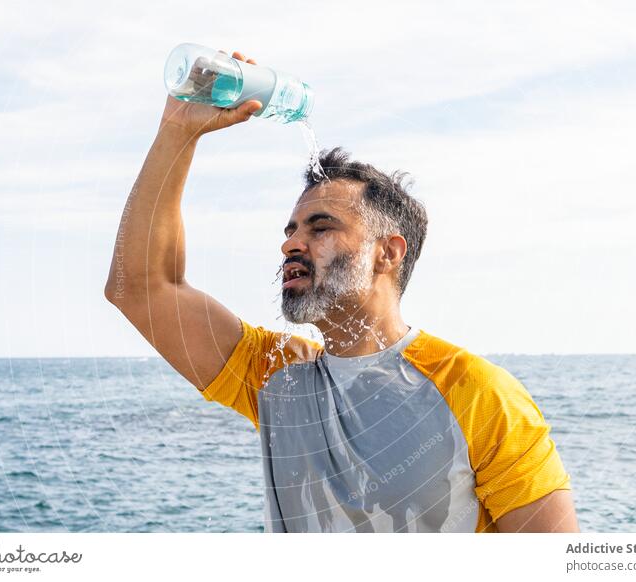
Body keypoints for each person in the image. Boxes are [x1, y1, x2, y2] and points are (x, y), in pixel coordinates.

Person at [105, 50, 579, 533]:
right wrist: (177, 131)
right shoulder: (275, 376)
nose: (291, 243)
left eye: (322, 227)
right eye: (291, 230)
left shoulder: (478, 395)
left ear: (388, 253)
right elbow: (141, 288)